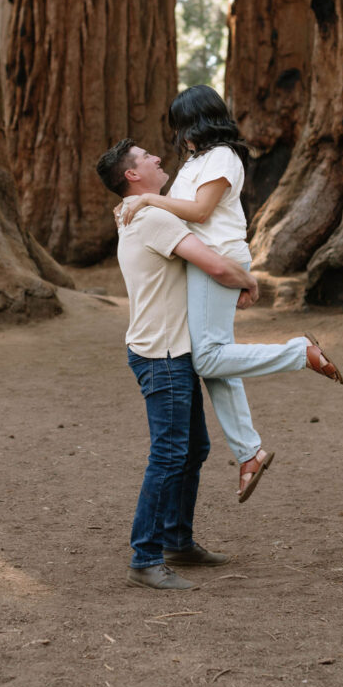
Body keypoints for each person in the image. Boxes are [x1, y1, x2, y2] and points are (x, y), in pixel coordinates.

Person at [121, 85, 343, 502]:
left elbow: (201, 212)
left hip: (216, 257)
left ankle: (300, 353)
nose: (179, 135)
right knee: (215, 358)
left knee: (207, 357)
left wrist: (150, 198)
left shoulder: (222, 156)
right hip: (204, 260)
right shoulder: (195, 161)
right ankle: (249, 453)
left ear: (198, 123)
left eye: (182, 125)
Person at [96, 137, 261, 589]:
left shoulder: (139, 211)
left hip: (169, 351)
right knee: (170, 454)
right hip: (163, 355)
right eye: (146, 156)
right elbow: (215, 266)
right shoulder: (150, 217)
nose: (156, 157)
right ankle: (145, 557)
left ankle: (176, 542)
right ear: (132, 175)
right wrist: (249, 281)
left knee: (193, 449)